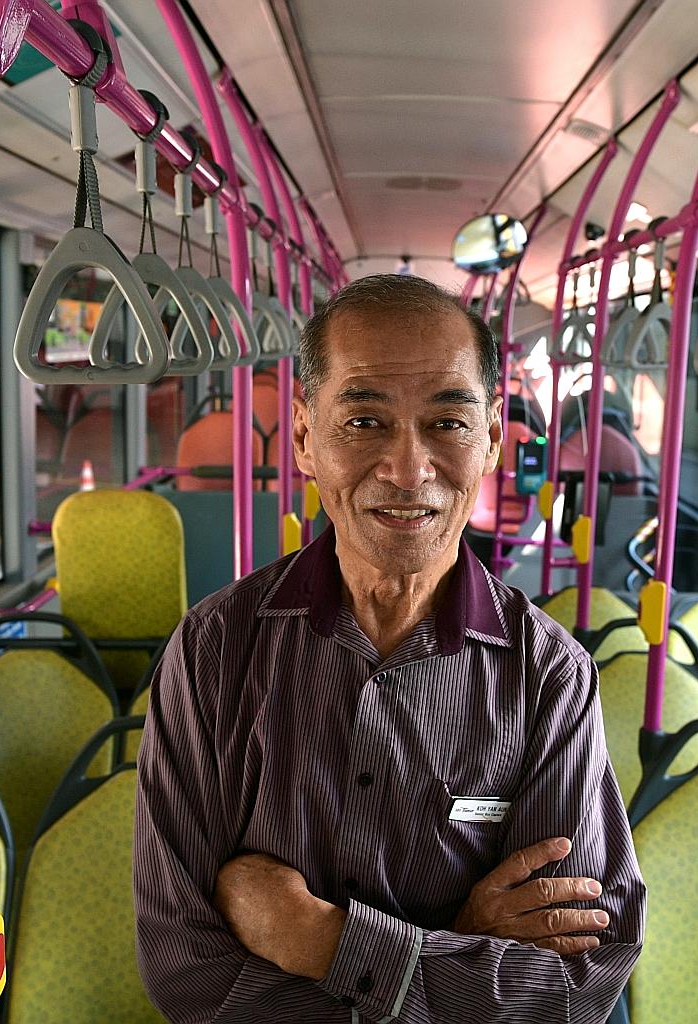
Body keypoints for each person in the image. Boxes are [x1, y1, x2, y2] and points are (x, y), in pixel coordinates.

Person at [133, 273, 645, 1022]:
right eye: (365, 423)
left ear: (493, 439)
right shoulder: (214, 652)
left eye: (447, 423)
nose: (408, 471)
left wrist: (322, 940)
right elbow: (185, 970)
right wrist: (460, 944)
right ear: (306, 439)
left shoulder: (549, 679)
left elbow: (568, 988)